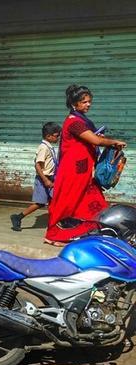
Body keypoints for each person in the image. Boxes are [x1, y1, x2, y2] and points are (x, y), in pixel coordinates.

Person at [44, 84, 127, 246]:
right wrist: (112, 141)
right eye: (84, 102)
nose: (88, 104)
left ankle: (85, 231)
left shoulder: (83, 121)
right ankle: (54, 234)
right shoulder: (74, 122)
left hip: (83, 169)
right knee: (67, 202)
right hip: (73, 170)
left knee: (92, 201)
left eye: (89, 101)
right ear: (74, 104)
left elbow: (92, 139)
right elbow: (95, 140)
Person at [10, 122, 62, 231]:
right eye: (57, 136)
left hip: (51, 178)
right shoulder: (43, 148)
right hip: (44, 179)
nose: (58, 138)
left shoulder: (49, 147)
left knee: (56, 200)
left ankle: (56, 222)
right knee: (40, 203)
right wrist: (45, 180)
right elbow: (38, 165)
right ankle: (18, 217)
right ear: (49, 136)